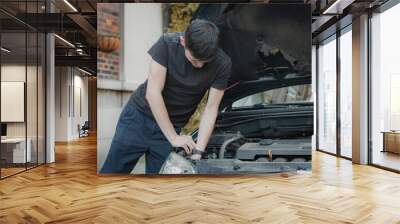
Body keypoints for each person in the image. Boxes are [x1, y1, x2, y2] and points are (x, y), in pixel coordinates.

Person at [100, 19, 232, 174]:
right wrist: (174, 138)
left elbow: (211, 109)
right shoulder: (167, 44)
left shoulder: (223, 63)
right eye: (195, 60)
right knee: (112, 174)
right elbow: (153, 93)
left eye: (205, 62)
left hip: (172, 127)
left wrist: (198, 152)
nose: (200, 66)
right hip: (137, 120)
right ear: (183, 41)